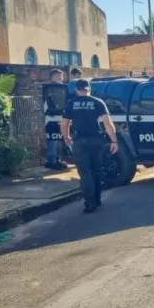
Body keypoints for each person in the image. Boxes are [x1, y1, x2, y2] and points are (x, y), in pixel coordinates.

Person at [60, 79, 119, 213]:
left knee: (85, 173)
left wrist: (66, 137)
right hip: (96, 141)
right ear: (89, 89)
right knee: (97, 170)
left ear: (76, 90)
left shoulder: (71, 104)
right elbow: (108, 124)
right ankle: (97, 200)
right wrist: (114, 141)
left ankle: (89, 203)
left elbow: (64, 124)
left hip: (79, 142)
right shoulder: (98, 102)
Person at [42, 69, 68, 170]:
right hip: (51, 118)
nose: (60, 78)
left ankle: (58, 160)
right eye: (58, 76)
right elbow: (47, 102)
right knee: (53, 139)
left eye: (61, 76)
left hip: (62, 117)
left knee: (60, 140)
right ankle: (52, 161)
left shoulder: (63, 88)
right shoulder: (48, 88)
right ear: (52, 76)